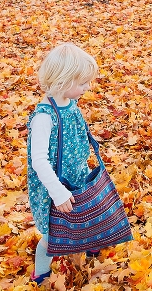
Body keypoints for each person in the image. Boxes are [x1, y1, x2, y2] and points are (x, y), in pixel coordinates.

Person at [26, 43, 101, 284]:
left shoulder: (70, 104)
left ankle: (90, 243)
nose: (87, 88)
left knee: (87, 212)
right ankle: (41, 272)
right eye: (82, 83)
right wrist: (57, 192)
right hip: (53, 186)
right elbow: (39, 160)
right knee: (53, 234)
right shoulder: (44, 117)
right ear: (62, 81)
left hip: (77, 175)